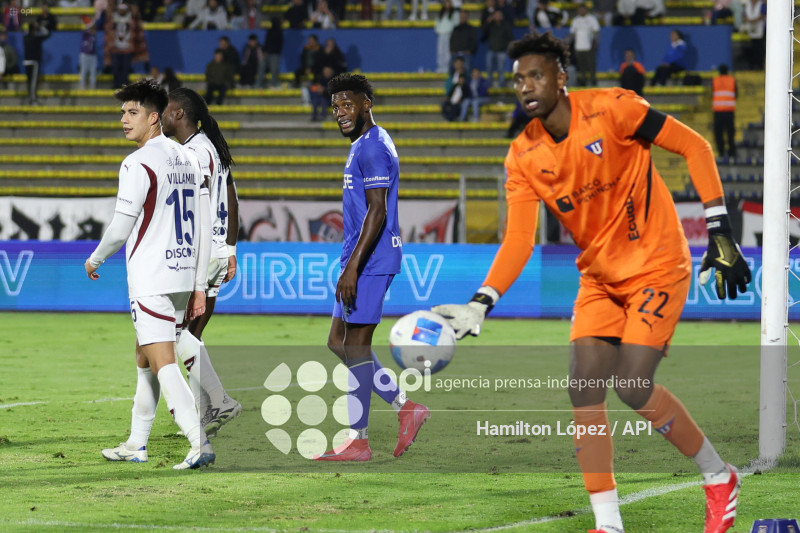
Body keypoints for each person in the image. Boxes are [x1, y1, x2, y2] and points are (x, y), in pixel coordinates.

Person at [432, 32, 747, 533]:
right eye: (518, 80)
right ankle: (609, 524)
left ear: (561, 77)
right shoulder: (522, 156)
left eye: (536, 75)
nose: (526, 87)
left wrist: (718, 230)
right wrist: (481, 302)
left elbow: (695, 145)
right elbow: (518, 240)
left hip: (656, 263)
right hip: (599, 278)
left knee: (631, 384)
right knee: (583, 388)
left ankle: (718, 476)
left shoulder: (614, 109)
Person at [85, 78, 215, 470]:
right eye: (122, 112)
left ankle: (199, 442)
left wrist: (95, 258)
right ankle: (136, 443)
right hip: (180, 275)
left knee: (162, 362)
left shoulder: (138, 162)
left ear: (154, 117)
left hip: (151, 276)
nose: (123, 119)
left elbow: (121, 228)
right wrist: (197, 285)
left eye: (132, 112)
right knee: (144, 355)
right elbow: (205, 225)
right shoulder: (189, 157)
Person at [314, 73, 430, 461]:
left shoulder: (374, 148)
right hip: (358, 258)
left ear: (367, 104)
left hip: (371, 260)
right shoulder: (364, 144)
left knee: (357, 345)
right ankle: (404, 408)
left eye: (348, 105)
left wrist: (352, 269)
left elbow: (377, 211)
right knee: (338, 342)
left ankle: (359, 440)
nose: (340, 113)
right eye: (335, 107)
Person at [161, 86, 243, 436]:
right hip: (214, 251)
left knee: (170, 334)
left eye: (163, 110)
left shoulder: (193, 153)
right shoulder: (211, 148)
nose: (159, 116)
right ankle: (206, 408)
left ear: (178, 113)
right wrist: (231, 249)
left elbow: (195, 206)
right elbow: (233, 200)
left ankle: (217, 400)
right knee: (190, 333)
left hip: (197, 253)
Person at [569, 4, 599, 87]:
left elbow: (596, 31)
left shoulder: (591, 19)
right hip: (579, 46)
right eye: (580, 9)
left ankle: (593, 80)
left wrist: (596, 42)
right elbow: (572, 33)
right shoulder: (575, 20)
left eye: (583, 9)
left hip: (589, 46)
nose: (581, 11)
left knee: (591, 64)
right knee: (581, 64)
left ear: (586, 10)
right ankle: (583, 80)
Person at [482, 8, 513, 87]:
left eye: (499, 15)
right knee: (489, 68)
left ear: (502, 16)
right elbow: (484, 34)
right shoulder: (491, 25)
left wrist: (505, 46)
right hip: (491, 50)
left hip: (501, 51)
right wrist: (488, 22)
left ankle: (501, 85)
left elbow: (510, 37)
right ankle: (489, 84)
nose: (497, 17)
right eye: (496, 15)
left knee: (501, 69)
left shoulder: (506, 25)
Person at [712, 64, 737, 160]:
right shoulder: (732, 80)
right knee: (730, 133)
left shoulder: (715, 80)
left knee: (719, 134)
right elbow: (736, 93)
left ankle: (721, 152)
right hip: (729, 112)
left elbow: (712, 93)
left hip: (718, 112)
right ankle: (732, 153)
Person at [23, 20, 49, 104]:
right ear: (35, 30)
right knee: (33, 82)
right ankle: (33, 100)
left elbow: (27, 32)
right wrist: (40, 27)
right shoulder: (36, 38)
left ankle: (31, 98)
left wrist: (32, 26)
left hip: (26, 62)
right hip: (34, 63)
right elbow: (47, 34)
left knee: (30, 81)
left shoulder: (25, 38)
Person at [434, 0, 459, 74]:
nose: (447, 5)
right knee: (440, 51)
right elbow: (437, 23)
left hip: (449, 34)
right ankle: (440, 67)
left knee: (447, 51)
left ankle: (446, 67)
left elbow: (456, 23)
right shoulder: (441, 14)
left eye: (449, 3)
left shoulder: (454, 14)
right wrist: (438, 30)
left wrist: (451, 31)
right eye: (446, 3)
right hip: (441, 34)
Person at [257, 16, 283, 89]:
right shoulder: (277, 31)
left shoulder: (275, 31)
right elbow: (268, 42)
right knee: (263, 69)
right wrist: (265, 51)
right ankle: (260, 84)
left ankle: (272, 84)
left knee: (272, 70)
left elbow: (268, 42)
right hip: (271, 53)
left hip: (273, 53)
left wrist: (265, 51)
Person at [742, 0, 765, 70]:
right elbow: (745, 15)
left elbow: (762, 15)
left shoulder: (761, 4)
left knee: (760, 48)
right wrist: (749, 21)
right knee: (752, 48)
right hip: (751, 29)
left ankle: (759, 65)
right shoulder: (748, 5)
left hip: (760, 28)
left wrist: (753, 21)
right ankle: (752, 65)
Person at [78, 22, 98, 90]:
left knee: (93, 71)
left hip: (93, 55)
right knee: (83, 71)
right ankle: (82, 87)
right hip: (85, 55)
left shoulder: (93, 35)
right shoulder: (85, 33)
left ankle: (92, 87)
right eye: (92, 28)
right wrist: (89, 25)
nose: (94, 29)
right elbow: (85, 30)